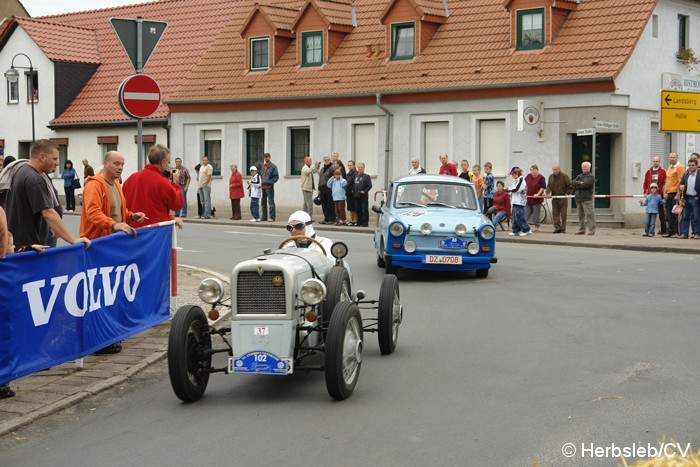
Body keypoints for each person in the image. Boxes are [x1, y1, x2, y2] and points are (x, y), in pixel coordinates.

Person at [79, 151, 146, 355]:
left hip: (111, 247)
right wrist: (114, 224)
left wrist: (131, 216)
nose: (120, 167)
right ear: (106, 163)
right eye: (116, 163)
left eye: (123, 164)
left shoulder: (116, 185)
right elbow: (93, 213)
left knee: (110, 293)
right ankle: (97, 339)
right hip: (96, 246)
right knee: (98, 294)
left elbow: (117, 213)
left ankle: (108, 336)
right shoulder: (94, 184)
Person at [3, 140, 91, 249]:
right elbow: (48, 213)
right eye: (54, 158)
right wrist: (73, 240)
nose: (57, 162)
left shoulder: (21, 171)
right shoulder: (34, 179)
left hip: (22, 245)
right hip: (31, 247)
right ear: (42, 157)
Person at [122, 144, 184, 227]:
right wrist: (175, 183)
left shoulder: (131, 178)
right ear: (162, 162)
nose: (168, 165)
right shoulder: (162, 182)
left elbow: (155, 206)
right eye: (168, 162)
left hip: (133, 229)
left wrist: (171, 218)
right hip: (153, 231)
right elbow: (176, 204)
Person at [643, 156, 666, 236]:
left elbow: (664, 183)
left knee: (661, 214)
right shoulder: (649, 171)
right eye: (654, 161)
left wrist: (664, 193)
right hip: (650, 195)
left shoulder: (663, 171)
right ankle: (648, 231)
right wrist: (645, 192)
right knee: (649, 214)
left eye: (656, 161)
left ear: (659, 162)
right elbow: (645, 182)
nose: (655, 163)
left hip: (659, 195)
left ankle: (663, 230)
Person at [663, 152, 685, 238]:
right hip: (669, 193)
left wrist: (678, 194)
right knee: (669, 213)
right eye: (670, 157)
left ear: (677, 158)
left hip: (675, 193)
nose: (672, 159)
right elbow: (667, 181)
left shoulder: (680, 167)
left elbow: (681, 181)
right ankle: (670, 231)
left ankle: (676, 232)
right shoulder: (669, 167)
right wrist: (665, 192)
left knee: (676, 213)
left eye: (673, 157)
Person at [546, 163, 573, 233]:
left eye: (556, 169)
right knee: (555, 213)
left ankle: (563, 229)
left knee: (563, 214)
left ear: (559, 169)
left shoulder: (564, 176)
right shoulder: (551, 177)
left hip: (562, 197)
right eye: (553, 170)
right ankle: (557, 228)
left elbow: (570, 186)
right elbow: (548, 186)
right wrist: (548, 193)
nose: (554, 171)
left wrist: (567, 193)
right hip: (554, 197)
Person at [505, 166, 531, 236]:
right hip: (515, 201)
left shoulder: (521, 180)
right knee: (515, 217)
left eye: (513, 174)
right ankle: (515, 230)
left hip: (520, 201)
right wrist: (509, 189)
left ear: (516, 173)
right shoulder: (516, 181)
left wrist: (509, 189)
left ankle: (527, 230)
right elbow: (513, 189)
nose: (512, 176)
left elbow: (516, 189)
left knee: (520, 217)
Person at [572, 161, 596, 235]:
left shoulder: (591, 176)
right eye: (583, 167)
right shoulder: (579, 176)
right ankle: (582, 229)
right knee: (580, 215)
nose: (584, 168)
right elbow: (572, 182)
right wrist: (580, 183)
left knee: (589, 214)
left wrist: (578, 184)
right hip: (579, 198)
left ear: (589, 167)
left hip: (586, 199)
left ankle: (591, 230)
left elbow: (585, 185)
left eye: (585, 167)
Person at [678, 157, 699, 239]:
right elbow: (681, 183)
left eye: (693, 165)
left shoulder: (699, 174)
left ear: (696, 166)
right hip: (686, 198)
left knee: (696, 217)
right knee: (685, 216)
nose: (691, 167)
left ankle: (697, 233)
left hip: (696, 198)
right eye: (689, 165)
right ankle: (684, 233)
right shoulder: (686, 174)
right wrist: (681, 187)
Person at [525, 164, 546, 231]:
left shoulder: (541, 178)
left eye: (534, 170)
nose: (533, 172)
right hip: (528, 198)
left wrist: (538, 194)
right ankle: (524, 225)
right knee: (526, 212)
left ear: (537, 170)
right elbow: (524, 185)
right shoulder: (528, 176)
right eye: (531, 170)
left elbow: (543, 187)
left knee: (536, 213)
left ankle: (537, 227)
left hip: (537, 199)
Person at [260, 153, 279, 222]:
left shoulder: (273, 167)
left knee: (271, 202)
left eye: (267, 157)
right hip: (262, 187)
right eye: (265, 157)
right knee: (263, 202)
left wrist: (270, 182)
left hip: (269, 187)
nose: (266, 158)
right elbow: (261, 175)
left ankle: (272, 217)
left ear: (270, 158)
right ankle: (264, 217)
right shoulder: (263, 166)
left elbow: (276, 177)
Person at [318, 155, 336, 224]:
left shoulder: (332, 167)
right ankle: (326, 218)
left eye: (328, 160)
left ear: (330, 160)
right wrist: (319, 189)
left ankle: (332, 219)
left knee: (330, 204)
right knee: (324, 204)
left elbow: (335, 177)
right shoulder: (322, 169)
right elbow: (320, 179)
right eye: (325, 160)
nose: (327, 161)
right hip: (322, 188)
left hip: (329, 188)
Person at [353, 162, 372, 227]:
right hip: (356, 196)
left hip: (363, 196)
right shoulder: (356, 176)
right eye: (359, 167)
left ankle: (365, 223)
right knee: (358, 210)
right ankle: (359, 222)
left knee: (364, 210)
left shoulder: (366, 176)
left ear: (364, 168)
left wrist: (364, 191)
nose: (360, 169)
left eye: (361, 167)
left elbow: (369, 185)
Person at [345, 160, 358, 226]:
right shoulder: (348, 174)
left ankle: (356, 220)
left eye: (351, 165)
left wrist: (353, 190)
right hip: (348, 193)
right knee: (350, 208)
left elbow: (354, 183)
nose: (349, 167)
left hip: (353, 193)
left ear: (354, 166)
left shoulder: (356, 173)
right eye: (348, 165)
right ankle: (352, 220)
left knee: (354, 208)